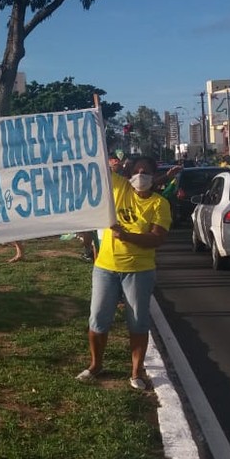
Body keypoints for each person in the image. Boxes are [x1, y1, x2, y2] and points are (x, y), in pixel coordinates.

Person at [76, 156, 174, 391]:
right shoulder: (119, 188)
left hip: (139, 272)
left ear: (153, 175)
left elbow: (156, 239)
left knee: (138, 323)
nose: (141, 175)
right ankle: (95, 365)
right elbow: (96, 164)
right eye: (137, 170)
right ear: (128, 174)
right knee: (98, 319)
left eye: (146, 171)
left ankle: (136, 372)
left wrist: (127, 236)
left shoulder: (159, 204)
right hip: (105, 268)